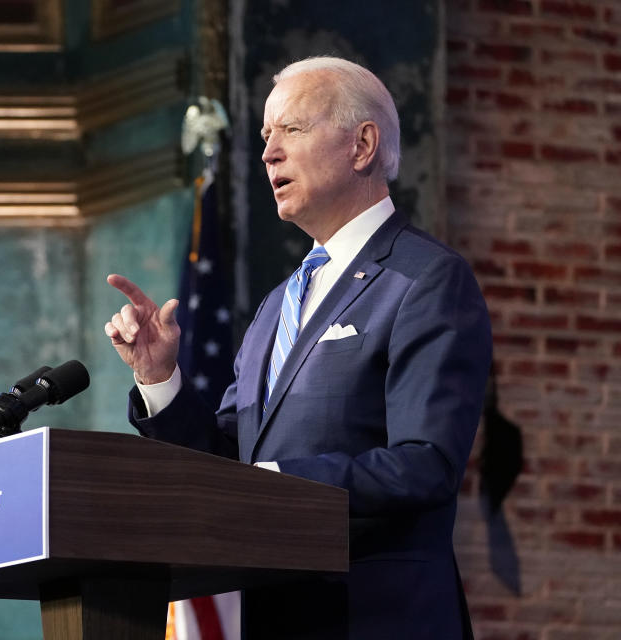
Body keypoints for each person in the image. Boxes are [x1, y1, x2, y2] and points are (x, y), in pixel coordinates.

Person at [104, 56, 492, 639]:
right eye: (265, 136)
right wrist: (160, 379)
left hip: (375, 617)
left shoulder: (426, 279)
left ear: (362, 145)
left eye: (292, 128)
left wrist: (277, 483)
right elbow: (229, 464)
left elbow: (425, 464)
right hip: (270, 616)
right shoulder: (276, 306)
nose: (268, 153)